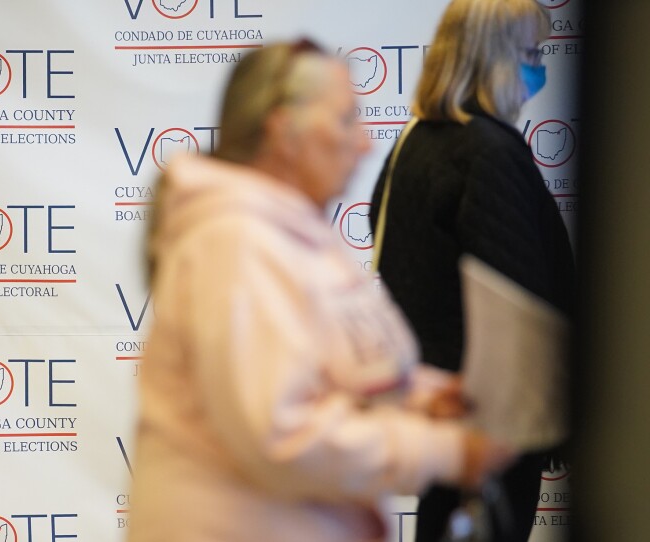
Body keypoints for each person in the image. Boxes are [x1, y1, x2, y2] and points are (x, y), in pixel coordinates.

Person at [127, 39, 511, 542]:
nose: (366, 142)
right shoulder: (236, 243)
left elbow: (328, 371)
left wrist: (422, 397)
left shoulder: (292, 232)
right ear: (285, 133)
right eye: (347, 120)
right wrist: (446, 452)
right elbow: (282, 435)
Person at [369, 1, 575, 541]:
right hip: (491, 423)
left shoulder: (413, 144)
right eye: (531, 54)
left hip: (438, 408)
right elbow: (518, 301)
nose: (537, 69)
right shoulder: (488, 151)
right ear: (497, 58)